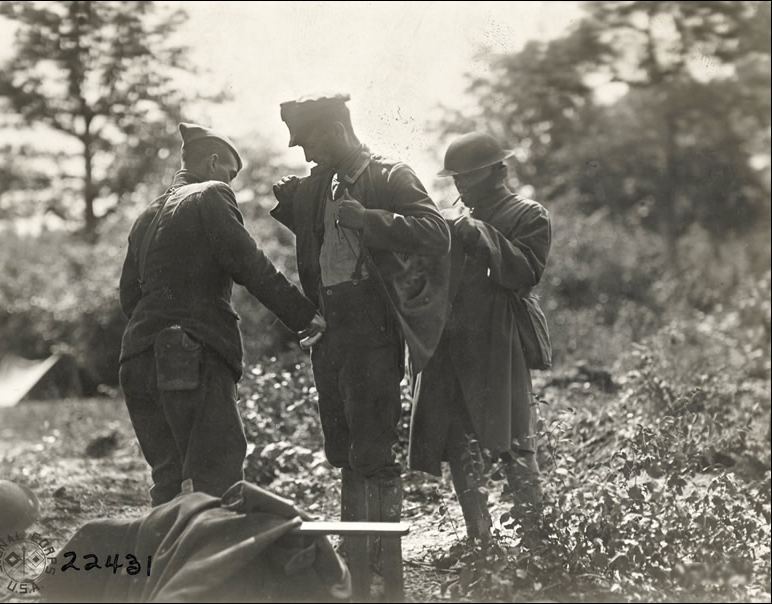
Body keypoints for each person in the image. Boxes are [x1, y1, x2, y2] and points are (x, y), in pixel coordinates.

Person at [271, 93, 450, 598]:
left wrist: (368, 219)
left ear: (333, 129)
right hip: (332, 332)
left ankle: (383, 574)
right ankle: (357, 572)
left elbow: (436, 233)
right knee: (344, 450)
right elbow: (313, 242)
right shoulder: (318, 184)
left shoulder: (391, 177)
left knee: (374, 452)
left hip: (373, 330)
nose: (304, 154)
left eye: (307, 141)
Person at [119, 122, 326, 507]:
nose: (230, 181)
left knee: (168, 481)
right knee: (218, 479)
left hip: (136, 359)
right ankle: (216, 566)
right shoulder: (211, 195)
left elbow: (129, 297)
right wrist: (304, 315)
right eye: (231, 173)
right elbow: (250, 265)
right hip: (190, 353)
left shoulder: (145, 217)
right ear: (214, 162)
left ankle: (171, 564)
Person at [409, 131, 552, 545]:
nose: (462, 184)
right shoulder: (447, 220)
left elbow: (527, 272)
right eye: (457, 177)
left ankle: (536, 540)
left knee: (513, 439)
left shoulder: (529, 214)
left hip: (498, 341)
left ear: (499, 170)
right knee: (457, 443)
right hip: (450, 345)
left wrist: (483, 236)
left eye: (470, 175)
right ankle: (479, 538)